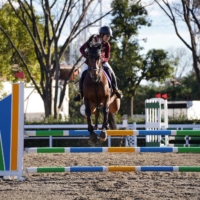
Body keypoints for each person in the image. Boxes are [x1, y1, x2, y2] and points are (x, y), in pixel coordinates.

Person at [73, 25, 122, 101]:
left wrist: (102, 60)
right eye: (107, 36)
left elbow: (107, 56)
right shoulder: (93, 40)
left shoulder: (107, 45)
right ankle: (80, 94)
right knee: (82, 74)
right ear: (102, 34)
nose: (108, 38)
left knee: (112, 72)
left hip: (102, 62)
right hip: (91, 62)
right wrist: (86, 56)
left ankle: (116, 90)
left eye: (109, 36)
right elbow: (81, 49)